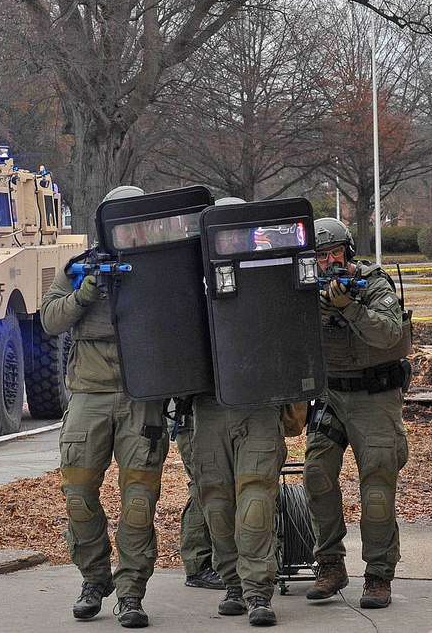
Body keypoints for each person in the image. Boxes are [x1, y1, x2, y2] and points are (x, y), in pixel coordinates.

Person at [40, 185, 169, 629]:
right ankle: (94, 579)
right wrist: (84, 294)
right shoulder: (79, 268)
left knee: (138, 502)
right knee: (77, 495)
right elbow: (50, 319)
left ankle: (131, 591)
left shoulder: (162, 265)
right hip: (90, 395)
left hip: (142, 397)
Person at [303, 218, 410, 609]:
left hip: (374, 396)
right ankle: (329, 563)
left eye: (335, 253)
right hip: (331, 394)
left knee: (378, 487)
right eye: (320, 255)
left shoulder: (373, 283)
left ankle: (379, 574)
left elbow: (388, 333)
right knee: (316, 474)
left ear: (347, 252)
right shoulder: (306, 286)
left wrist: (349, 307)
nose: (329, 262)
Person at [189, 196, 286, 627]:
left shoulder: (271, 274)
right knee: (217, 503)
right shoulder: (188, 280)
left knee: (255, 503)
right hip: (209, 406)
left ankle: (257, 591)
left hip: (257, 405)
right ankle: (232, 582)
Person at [176, 405, 224, 590]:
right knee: (203, 489)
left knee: (212, 489)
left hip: (208, 419)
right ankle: (198, 565)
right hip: (192, 421)